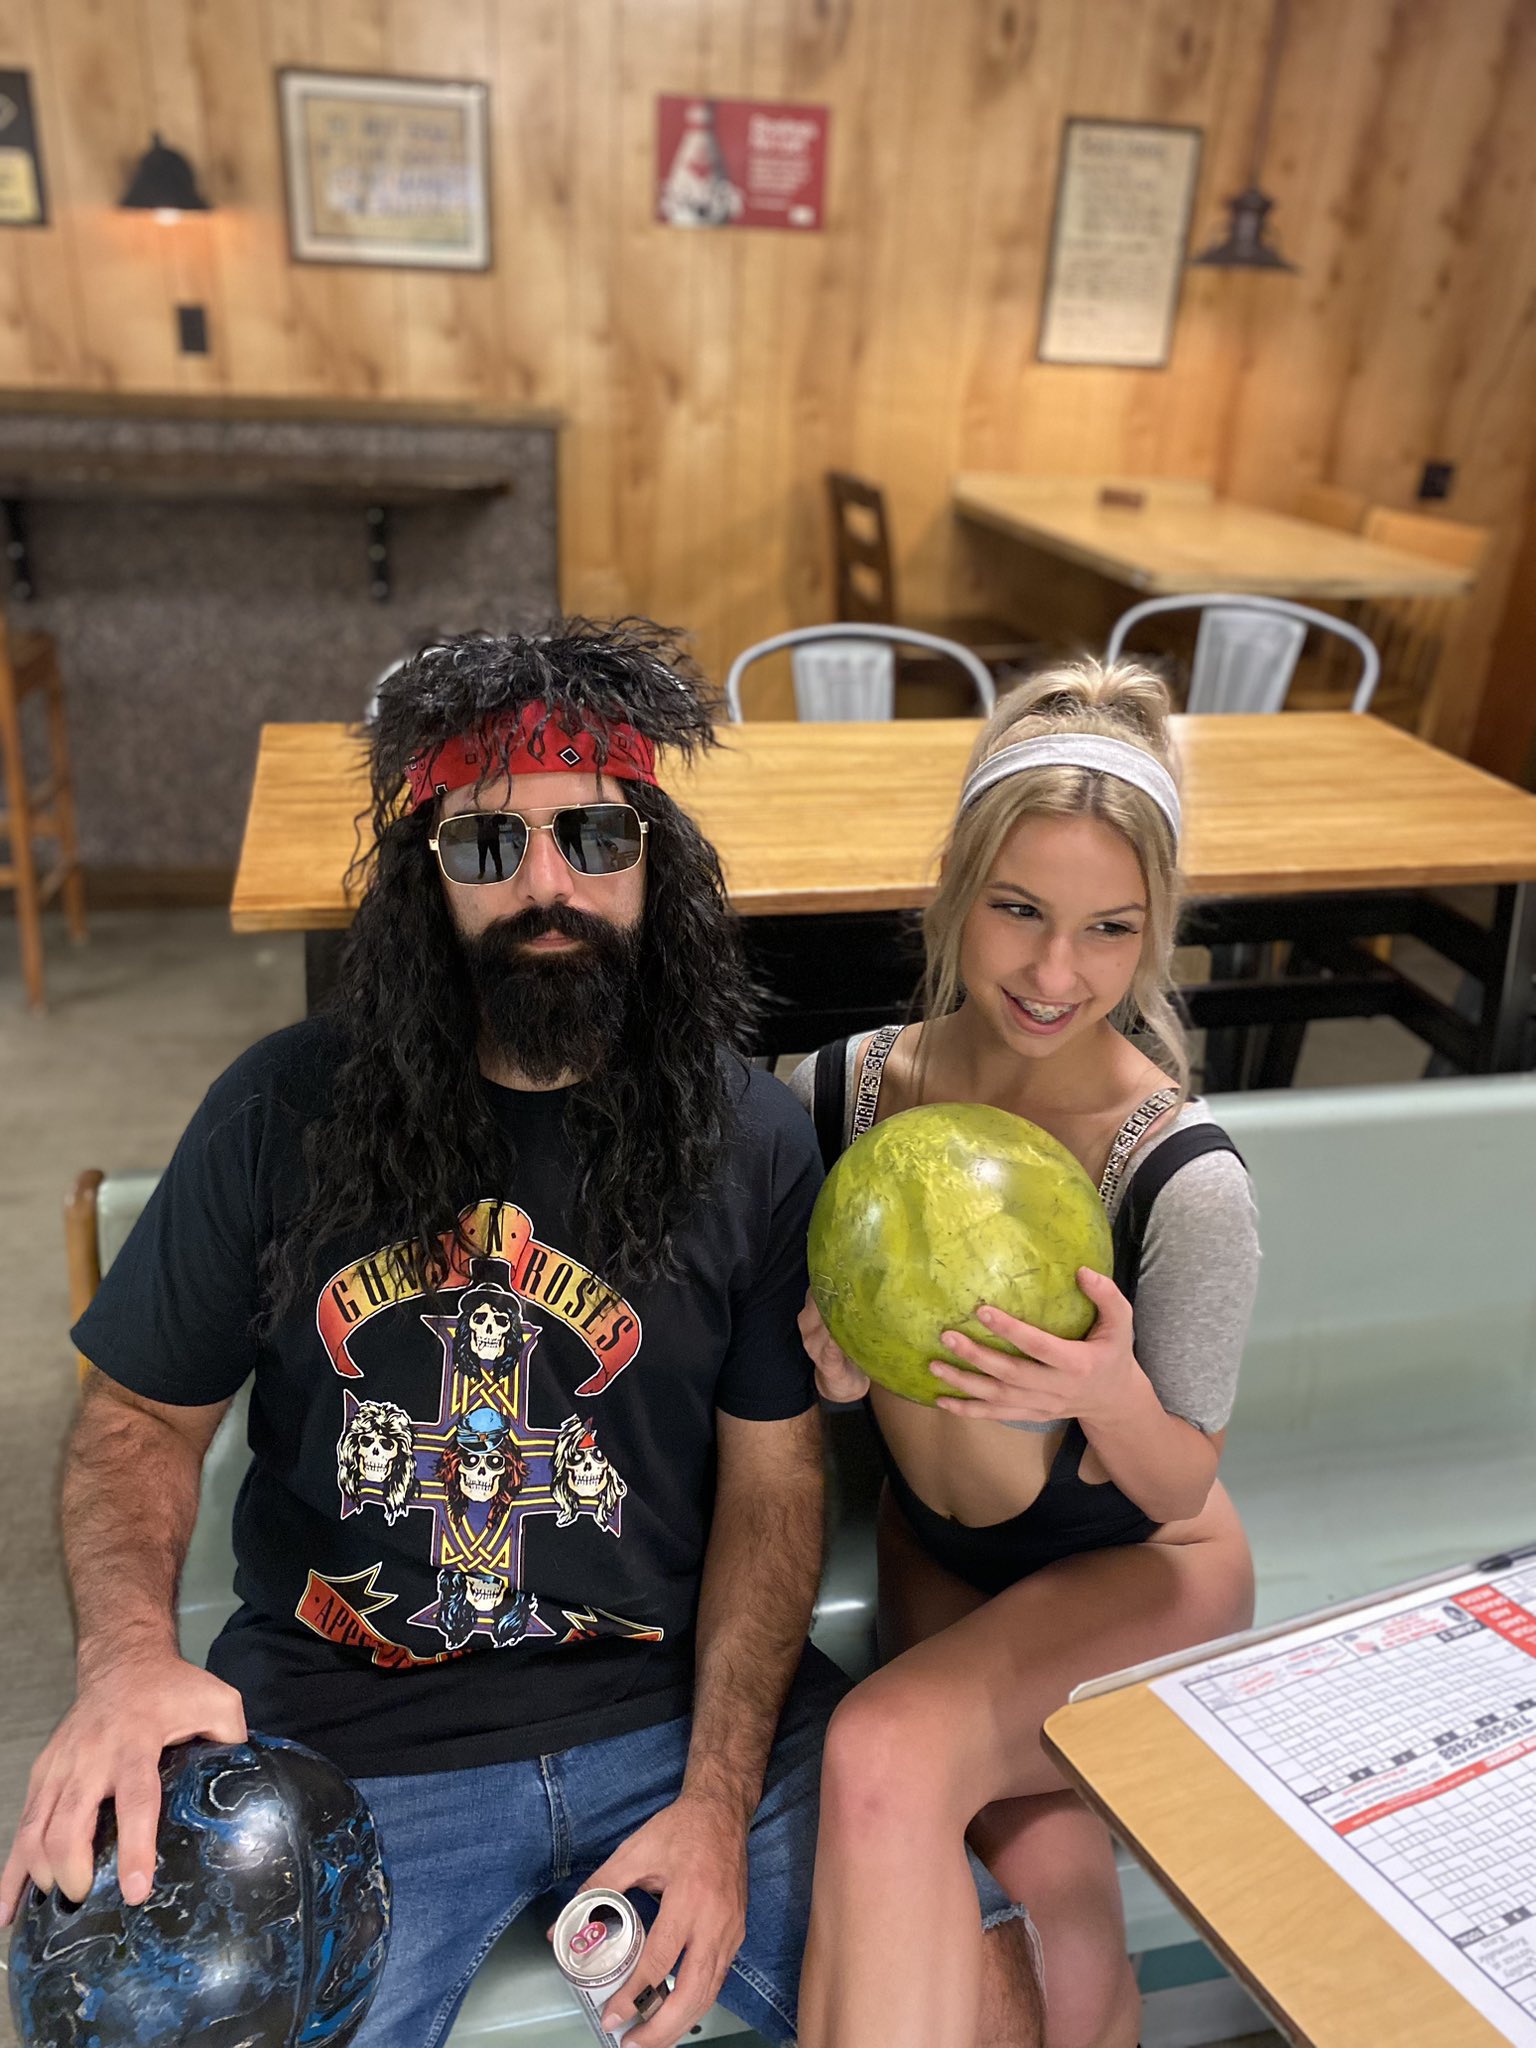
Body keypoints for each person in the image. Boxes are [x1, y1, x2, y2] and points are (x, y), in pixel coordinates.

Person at [0, 619, 1041, 2048]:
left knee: (987, 1996)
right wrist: (125, 1662)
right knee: (122, 2005)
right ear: (422, 881)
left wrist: (716, 1803)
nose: (549, 884)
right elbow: (136, 1420)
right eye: (489, 844)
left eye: (595, 837)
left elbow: (774, 1483)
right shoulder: (278, 1112)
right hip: (348, 1735)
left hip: (673, 1714)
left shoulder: (749, 1140)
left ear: (655, 861)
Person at [791, 661, 1262, 2048]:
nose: (1058, 974)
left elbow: (1181, 1488)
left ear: (1155, 931)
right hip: (945, 1558)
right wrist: (833, 1383)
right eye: (1018, 911)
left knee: (883, 1751)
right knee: (1055, 1921)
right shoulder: (837, 1095)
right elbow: (789, 1396)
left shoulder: (1182, 1178)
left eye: (1110, 929)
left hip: (1144, 1572)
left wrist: (1108, 1392)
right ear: (952, 885)